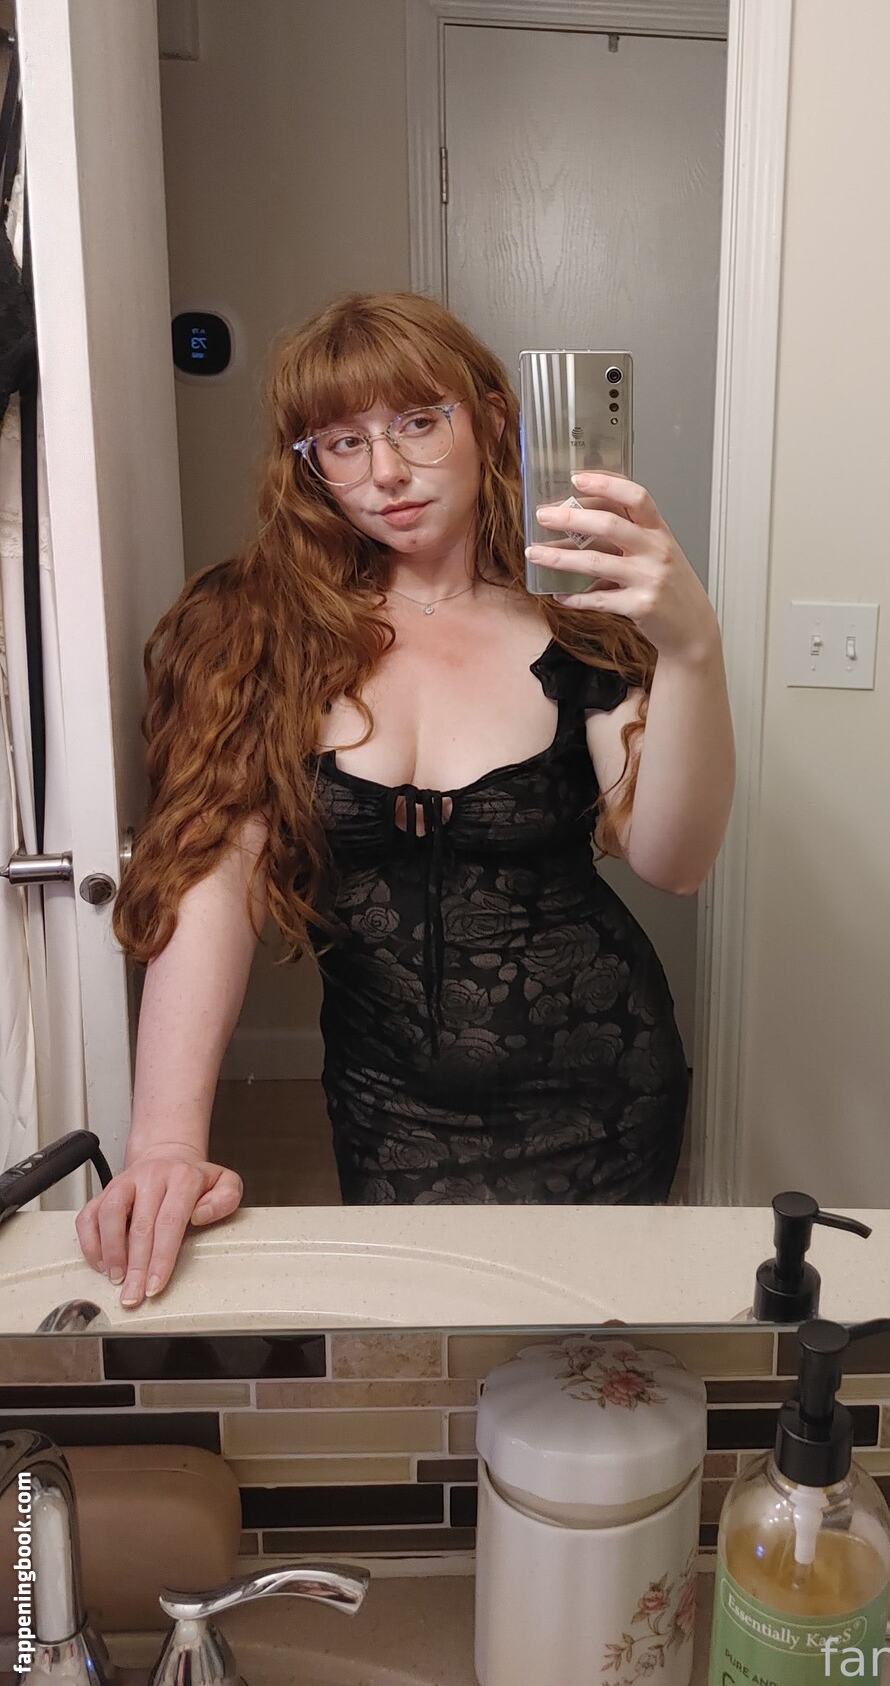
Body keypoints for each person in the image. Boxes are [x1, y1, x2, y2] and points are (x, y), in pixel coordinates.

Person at [75, 292, 734, 1308]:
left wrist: (692, 650)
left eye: (419, 422)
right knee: (430, 1344)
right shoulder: (254, 634)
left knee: (587, 1354)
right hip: (389, 1104)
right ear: (310, 466)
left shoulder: (582, 625)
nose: (385, 472)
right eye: (344, 442)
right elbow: (213, 876)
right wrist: (164, 1141)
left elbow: (674, 862)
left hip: (605, 1083)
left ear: (492, 422)